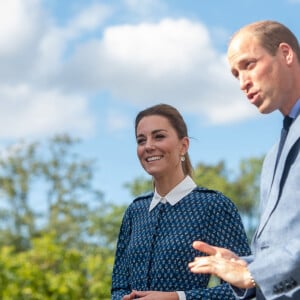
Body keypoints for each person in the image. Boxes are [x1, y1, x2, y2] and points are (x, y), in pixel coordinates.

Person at [188, 20, 300, 299]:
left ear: (286, 54)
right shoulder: (272, 157)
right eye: (236, 74)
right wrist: (243, 265)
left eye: (249, 65)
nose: (242, 83)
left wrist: (255, 274)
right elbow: (279, 250)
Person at [111, 103, 251, 299]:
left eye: (159, 136)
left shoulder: (214, 206)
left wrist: (178, 297)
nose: (148, 146)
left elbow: (244, 289)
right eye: (141, 140)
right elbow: (118, 288)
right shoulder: (135, 211)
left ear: (183, 145)